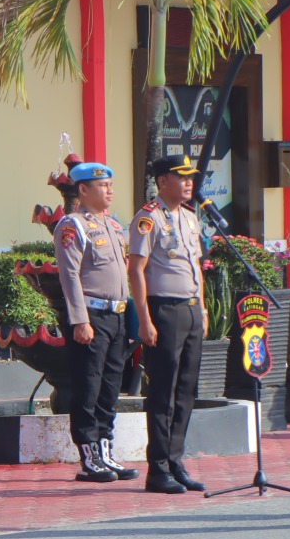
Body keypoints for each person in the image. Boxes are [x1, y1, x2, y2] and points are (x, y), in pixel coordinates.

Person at [128, 153, 209, 494]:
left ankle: (176, 461)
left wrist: (203, 310)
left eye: (191, 177)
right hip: (164, 311)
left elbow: (197, 267)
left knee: (186, 391)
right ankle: (158, 467)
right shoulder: (149, 219)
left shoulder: (190, 218)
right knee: (162, 391)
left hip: (190, 310)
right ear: (163, 182)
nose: (189, 182)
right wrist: (144, 319)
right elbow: (136, 270)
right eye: (182, 177)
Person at [55, 160, 139, 483]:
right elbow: (69, 276)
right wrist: (79, 320)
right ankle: (89, 456)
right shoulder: (72, 226)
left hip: (117, 317)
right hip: (91, 317)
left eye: (110, 184)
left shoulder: (114, 226)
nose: (109, 189)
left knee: (110, 388)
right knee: (88, 388)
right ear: (83, 189)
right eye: (101, 185)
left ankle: (106, 452)